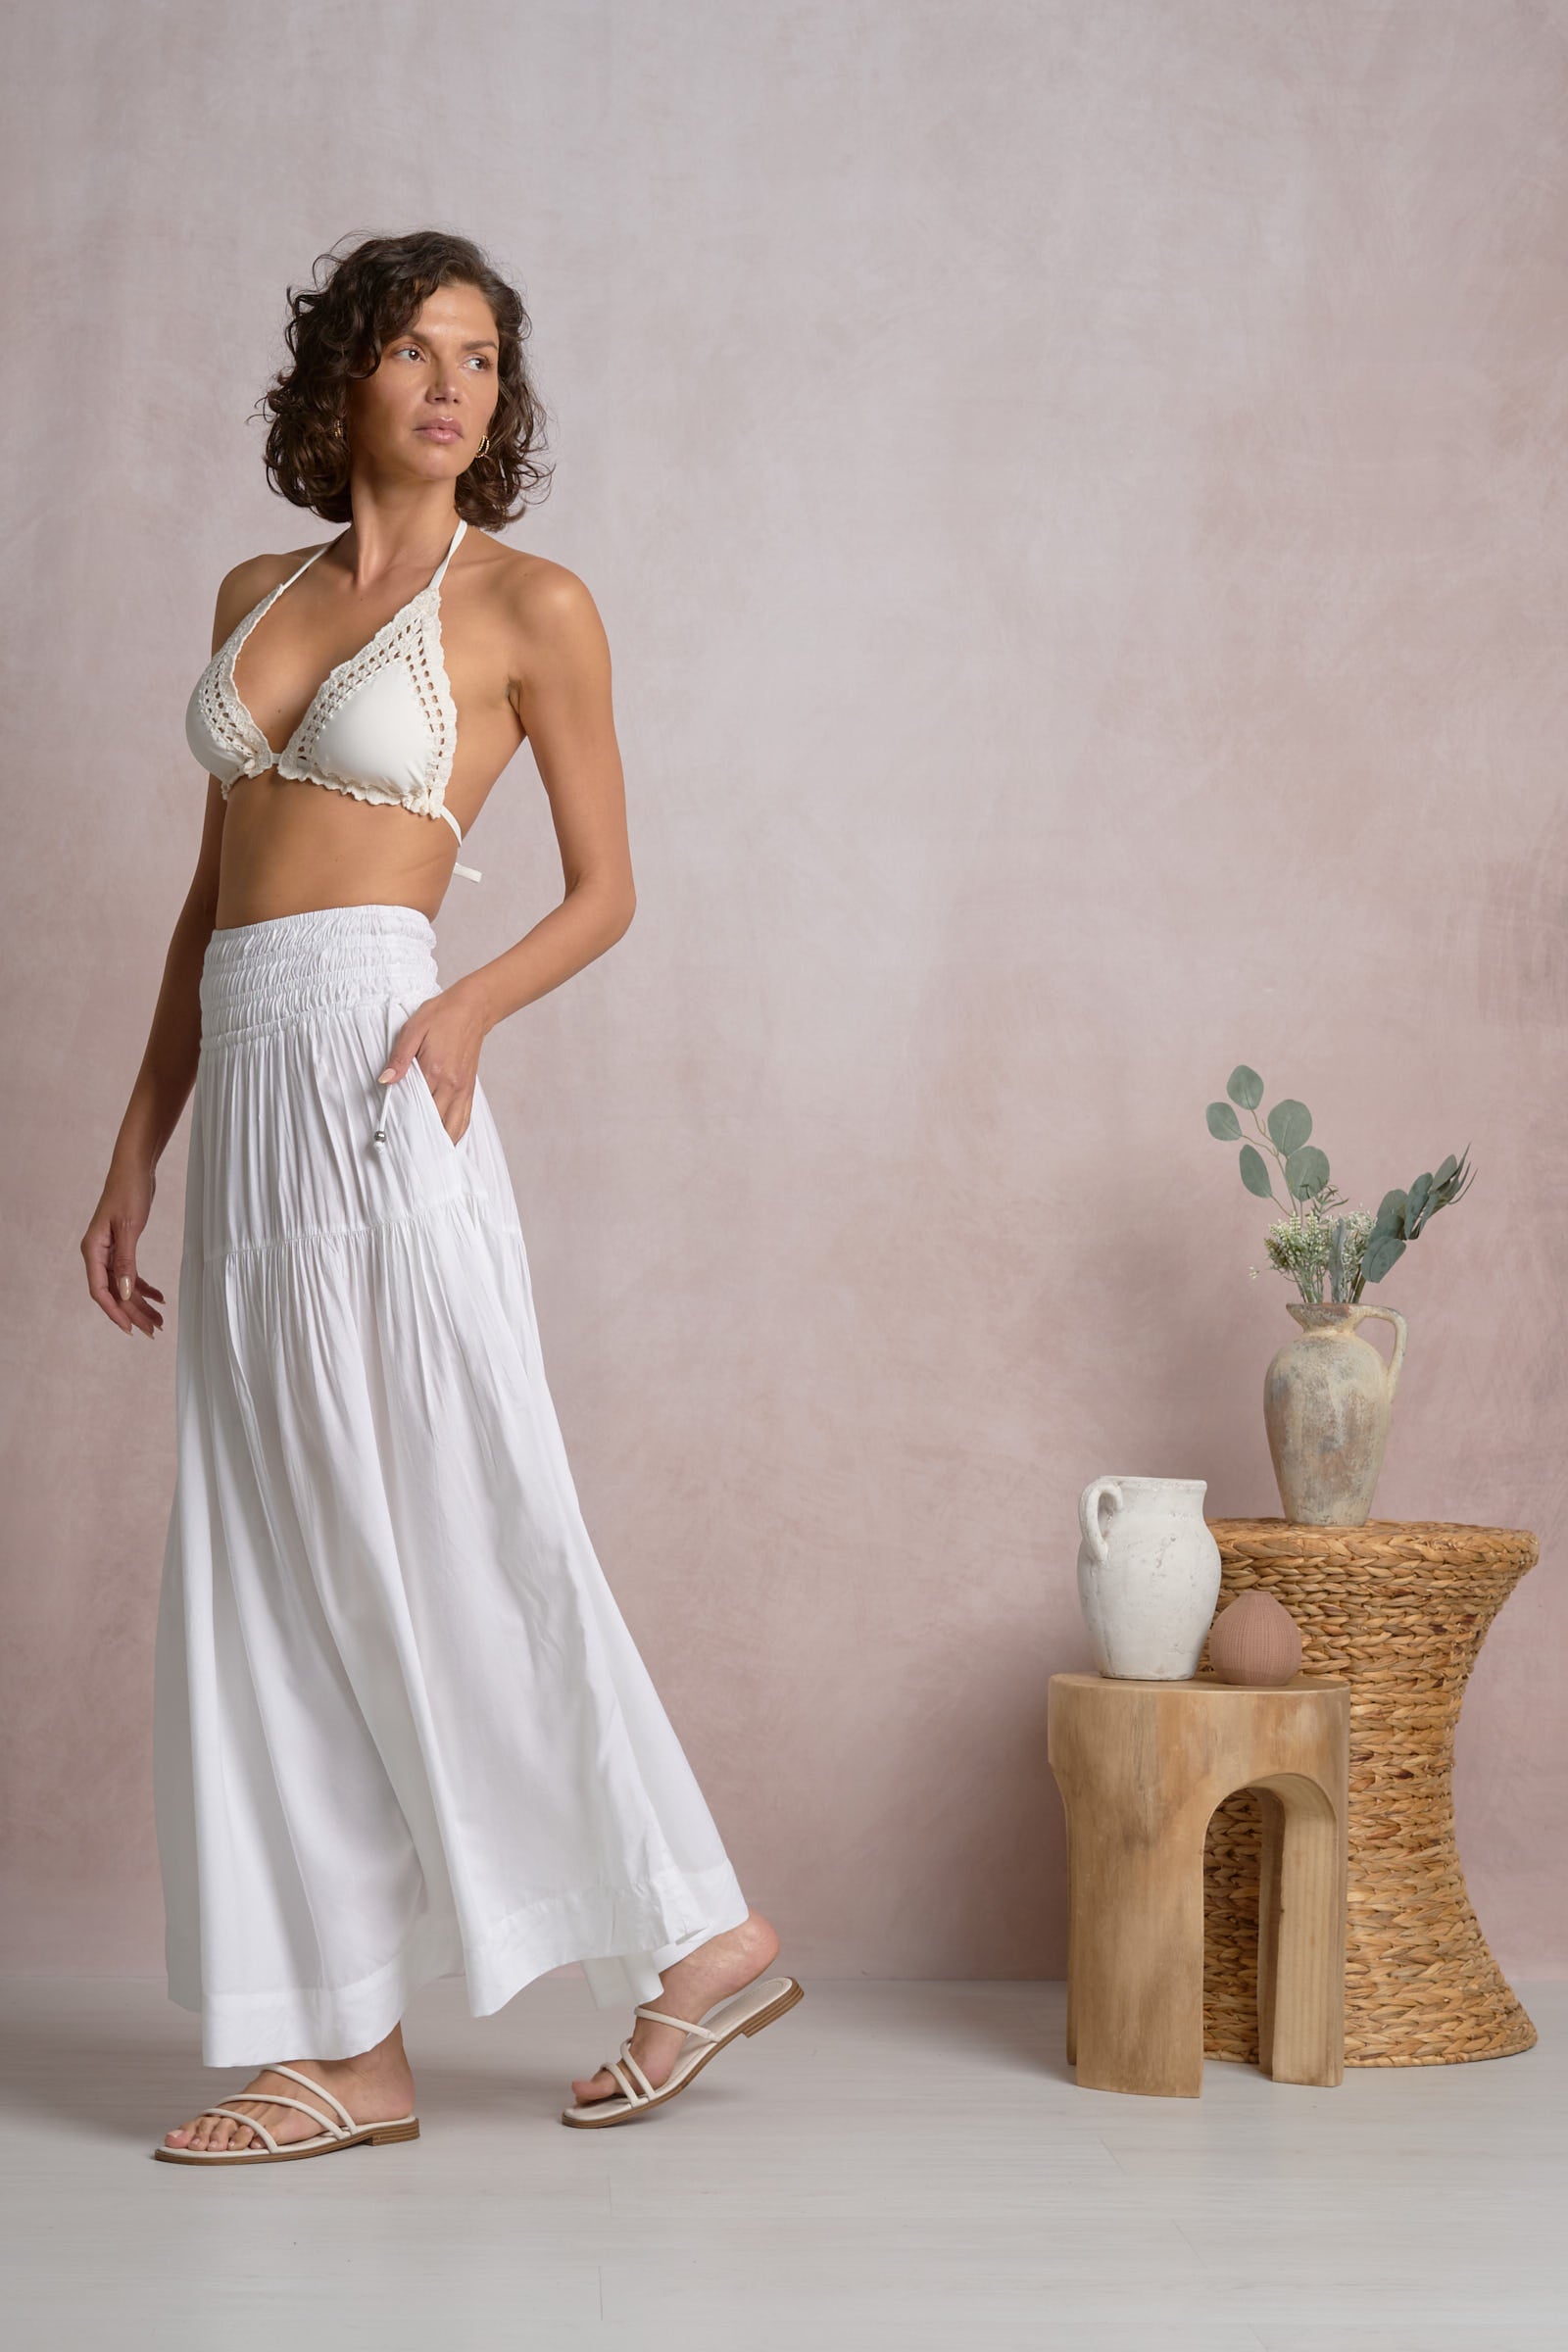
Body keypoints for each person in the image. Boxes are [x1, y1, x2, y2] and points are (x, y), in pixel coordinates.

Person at [80, 228, 800, 2166]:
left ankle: (699, 1934)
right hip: (247, 1087)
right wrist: (138, 1140)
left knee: (466, 1518)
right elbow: (212, 896)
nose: (451, 386)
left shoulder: (531, 605)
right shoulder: (253, 592)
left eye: (479, 359)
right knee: (269, 1566)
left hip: (386, 1071)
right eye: (414, 349)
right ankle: (348, 2046)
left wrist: (468, 1004)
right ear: (347, 375)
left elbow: (607, 889)